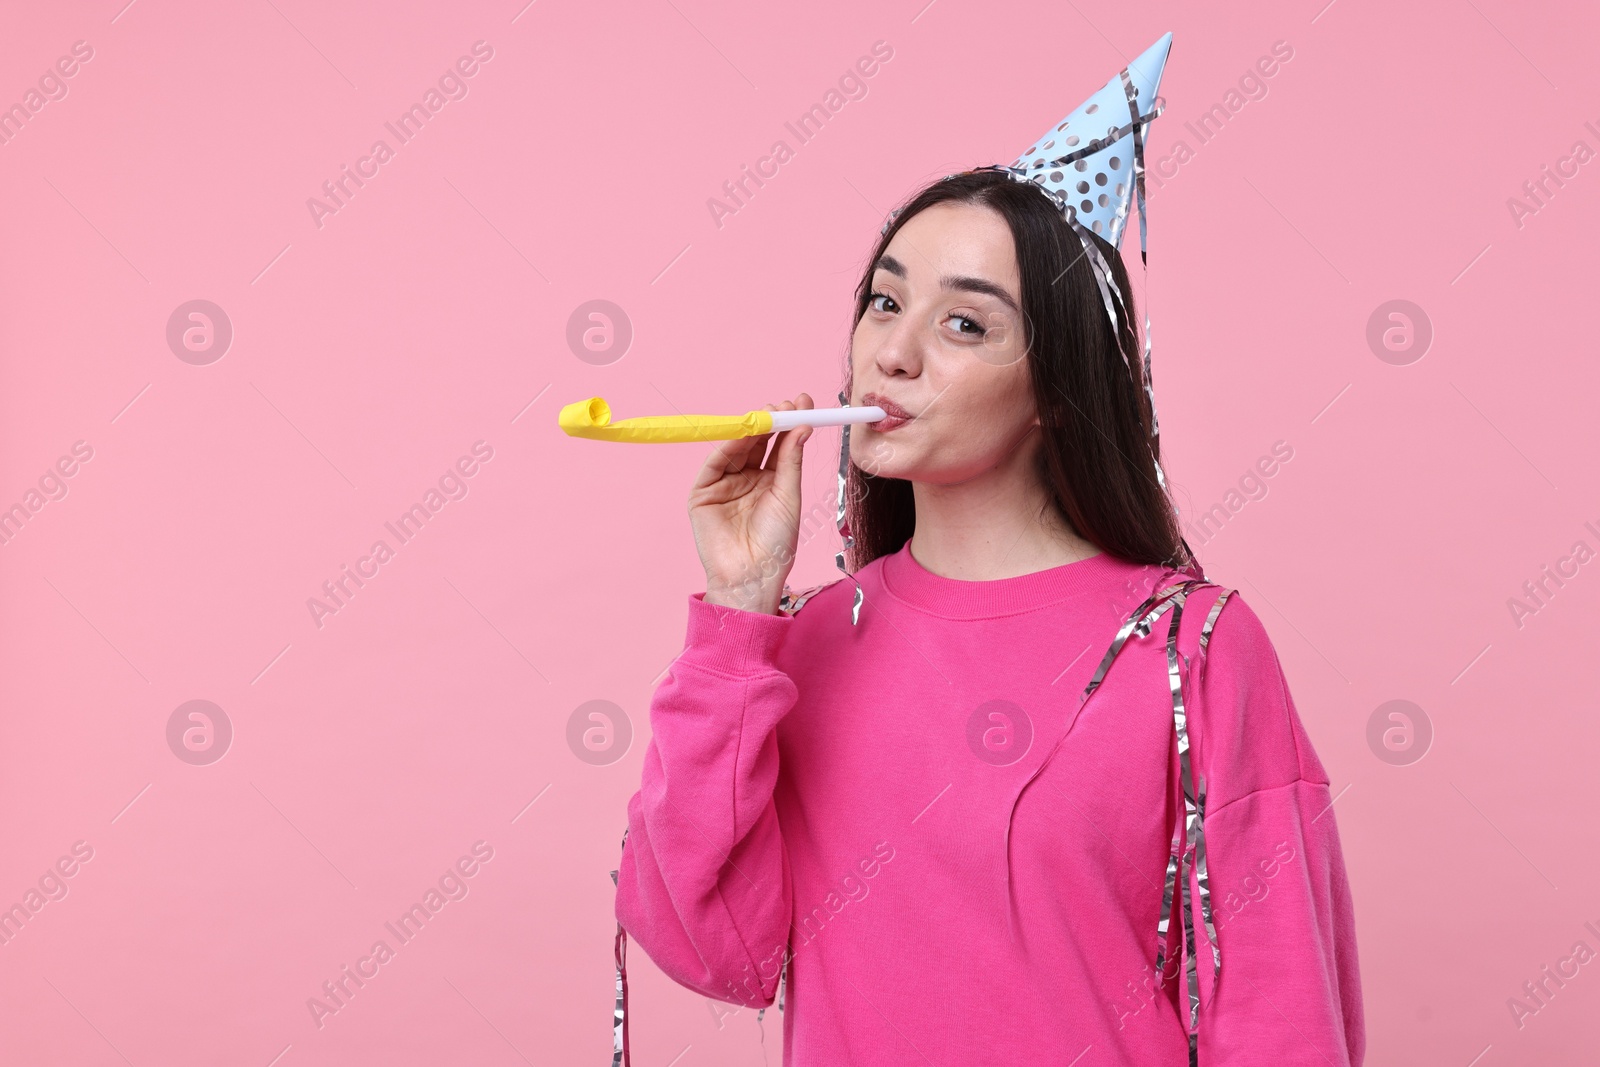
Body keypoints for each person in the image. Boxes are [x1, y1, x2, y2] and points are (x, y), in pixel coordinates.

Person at [607, 164, 1365, 1065]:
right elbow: (710, 949)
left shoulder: (1191, 647)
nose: (894, 353)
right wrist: (738, 610)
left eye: (964, 323)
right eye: (884, 304)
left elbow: (1282, 1018)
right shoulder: (804, 645)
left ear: (1055, 387)